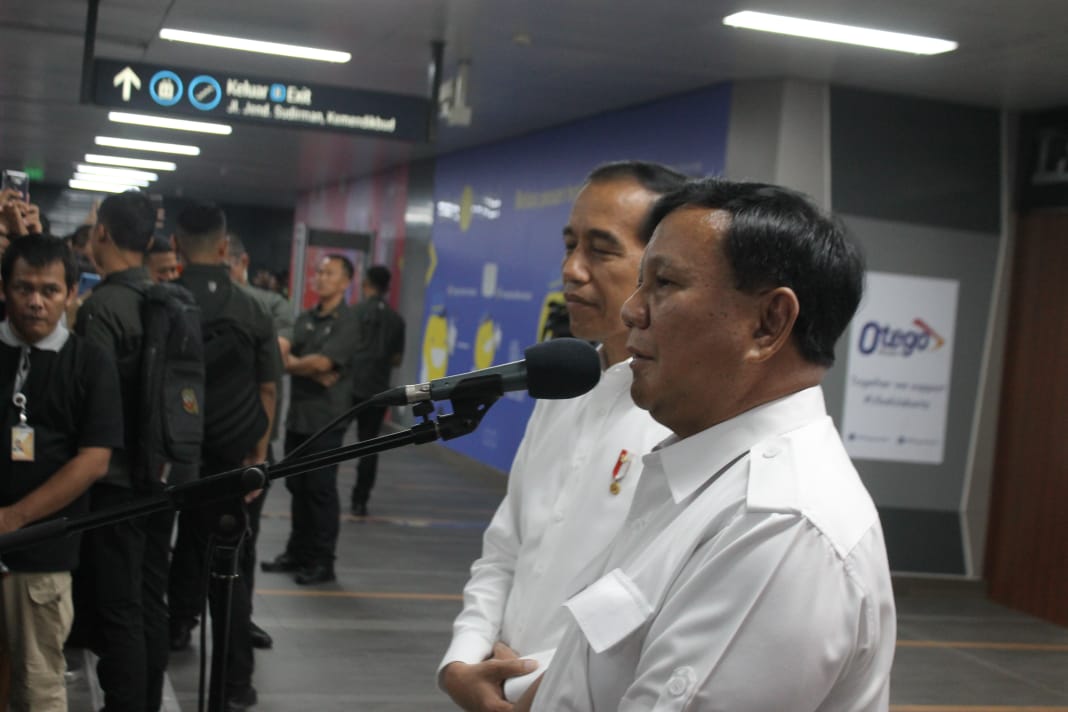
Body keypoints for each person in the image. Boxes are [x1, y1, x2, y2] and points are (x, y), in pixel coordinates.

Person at [519, 179, 896, 711]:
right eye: (640, 283)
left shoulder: (780, 526)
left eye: (664, 284)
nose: (632, 312)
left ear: (769, 323)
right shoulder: (701, 476)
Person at [438, 161, 686, 712]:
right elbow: (505, 549)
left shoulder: (682, 419)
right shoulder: (564, 386)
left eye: (600, 249)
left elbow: (652, 608)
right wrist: (464, 660)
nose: (572, 270)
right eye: (569, 245)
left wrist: (528, 689)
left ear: (661, 271)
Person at [0, 235, 122, 712]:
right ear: (4, 289)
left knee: (38, 683)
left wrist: (14, 518)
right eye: (23, 288)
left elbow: (95, 459)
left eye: (49, 290)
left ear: (72, 293)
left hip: (42, 556)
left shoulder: (90, 362)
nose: (35, 301)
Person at [169, 203, 280, 711]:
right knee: (233, 570)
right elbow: (268, 389)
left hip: (176, 461)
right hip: (239, 464)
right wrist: (256, 457)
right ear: (223, 248)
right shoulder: (255, 308)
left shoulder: (165, 301)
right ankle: (233, 685)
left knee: (178, 555)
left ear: (174, 246)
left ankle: (173, 630)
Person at [74, 190, 177, 712]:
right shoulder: (169, 302)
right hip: (164, 475)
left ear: (104, 235)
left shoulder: (102, 310)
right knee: (149, 601)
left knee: (119, 607)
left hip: (114, 482)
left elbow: (90, 405)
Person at [261, 255, 358, 586]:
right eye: (319, 272)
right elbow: (285, 358)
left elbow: (324, 363)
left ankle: (322, 560)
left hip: (327, 420)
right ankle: (297, 552)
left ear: (346, 282)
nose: (320, 277)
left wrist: (307, 365)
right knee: (297, 486)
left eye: (329, 273)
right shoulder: (305, 319)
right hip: (298, 417)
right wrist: (310, 367)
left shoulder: (348, 321)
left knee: (319, 489)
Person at [225, 231, 294, 651]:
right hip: (208, 441)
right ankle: (182, 616)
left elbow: (278, 359)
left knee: (244, 538)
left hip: (253, 438)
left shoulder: (271, 305)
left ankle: (240, 619)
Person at [348, 264, 405, 516]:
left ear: (366, 284)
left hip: (349, 386)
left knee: (330, 442)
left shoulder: (354, 313)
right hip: (378, 390)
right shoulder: (397, 321)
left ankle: (320, 492)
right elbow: (396, 359)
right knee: (369, 446)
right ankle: (360, 501)